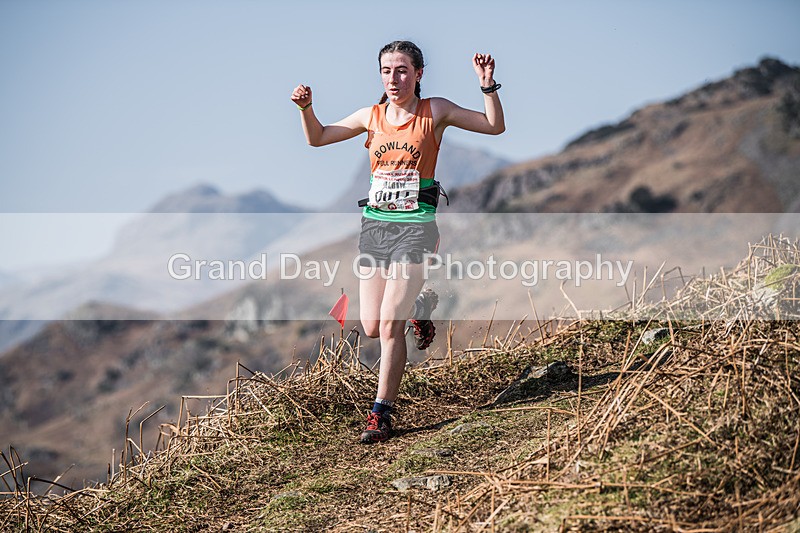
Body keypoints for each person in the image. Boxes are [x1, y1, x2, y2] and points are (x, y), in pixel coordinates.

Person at [291, 40, 505, 443]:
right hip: (375, 228)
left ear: (419, 74)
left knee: (388, 325)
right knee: (372, 326)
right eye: (387, 70)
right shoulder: (370, 117)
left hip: (416, 227)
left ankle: (381, 414)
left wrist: (487, 86)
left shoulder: (434, 111)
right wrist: (306, 109)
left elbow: (494, 126)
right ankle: (416, 307)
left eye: (403, 70)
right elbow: (317, 138)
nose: (394, 78)